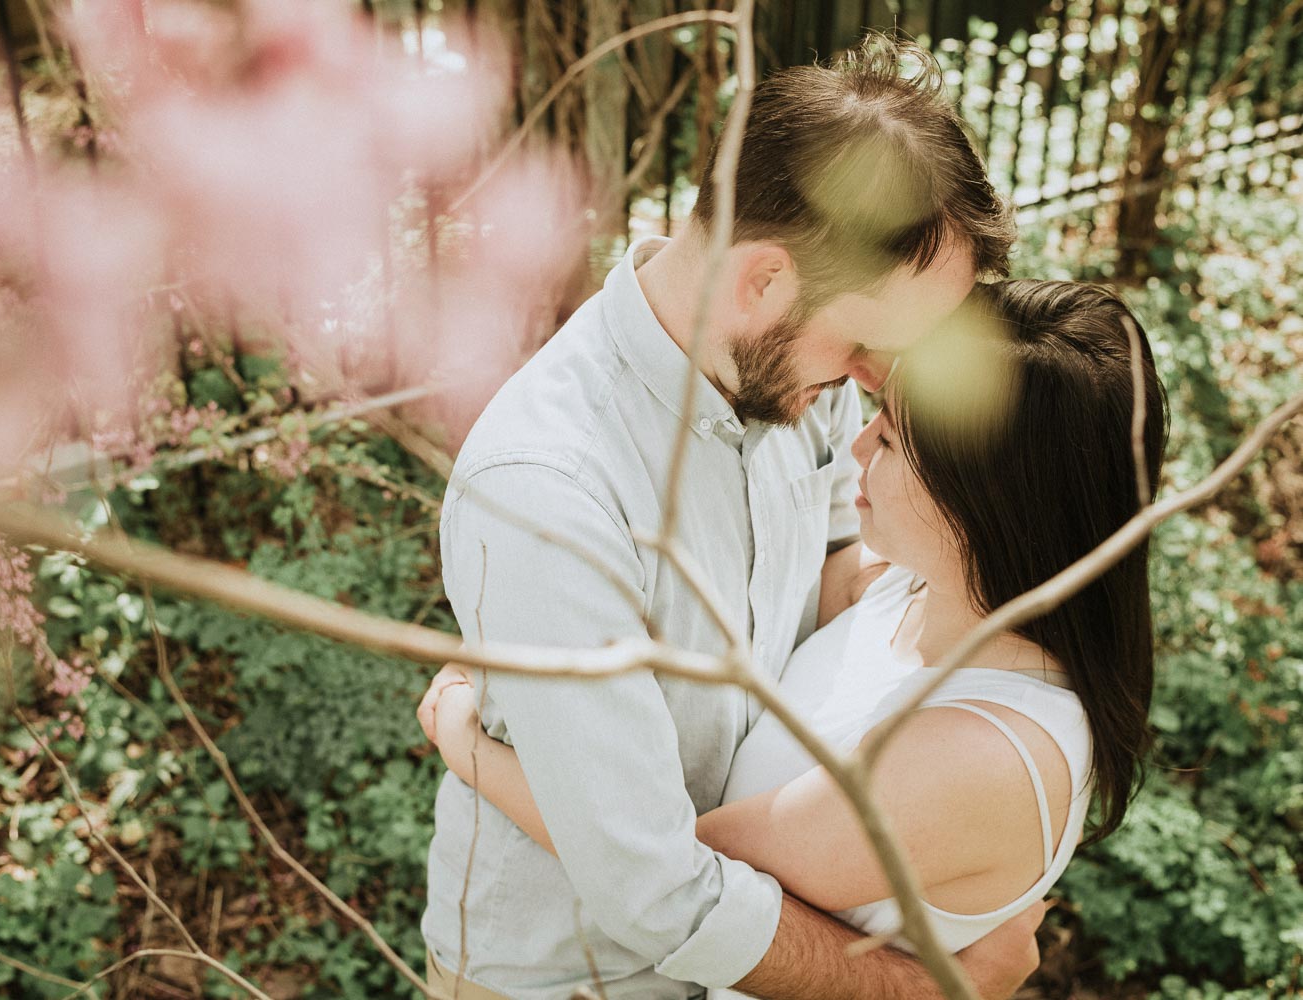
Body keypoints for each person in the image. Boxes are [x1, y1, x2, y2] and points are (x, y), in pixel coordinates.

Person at [417, 33, 1036, 1000]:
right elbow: (652, 892)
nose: (879, 386)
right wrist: (919, 988)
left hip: (755, 947)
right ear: (761, 280)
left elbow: (835, 579)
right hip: (573, 979)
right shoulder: (549, 486)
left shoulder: (796, 375)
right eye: (867, 343)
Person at [421, 279, 1167, 997]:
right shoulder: (917, 592)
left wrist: (467, 742)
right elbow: (821, 585)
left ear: (985, 504)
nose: (858, 444)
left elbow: (659, 867)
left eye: (897, 439)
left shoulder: (974, 755)